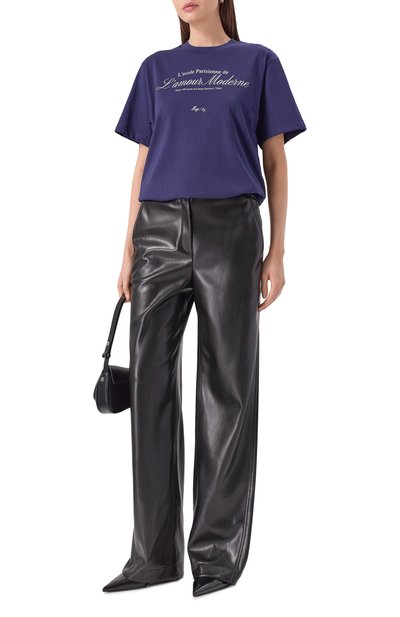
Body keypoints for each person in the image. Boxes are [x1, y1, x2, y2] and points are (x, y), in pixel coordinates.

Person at [102, 0, 306, 597]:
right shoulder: (155, 68)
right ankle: (152, 556)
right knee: (149, 385)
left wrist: (277, 251)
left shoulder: (259, 62)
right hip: (158, 232)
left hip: (231, 229)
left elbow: (276, 160)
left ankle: (216, 556)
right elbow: (143, 161)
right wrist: (128, 248)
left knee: (228, 388)